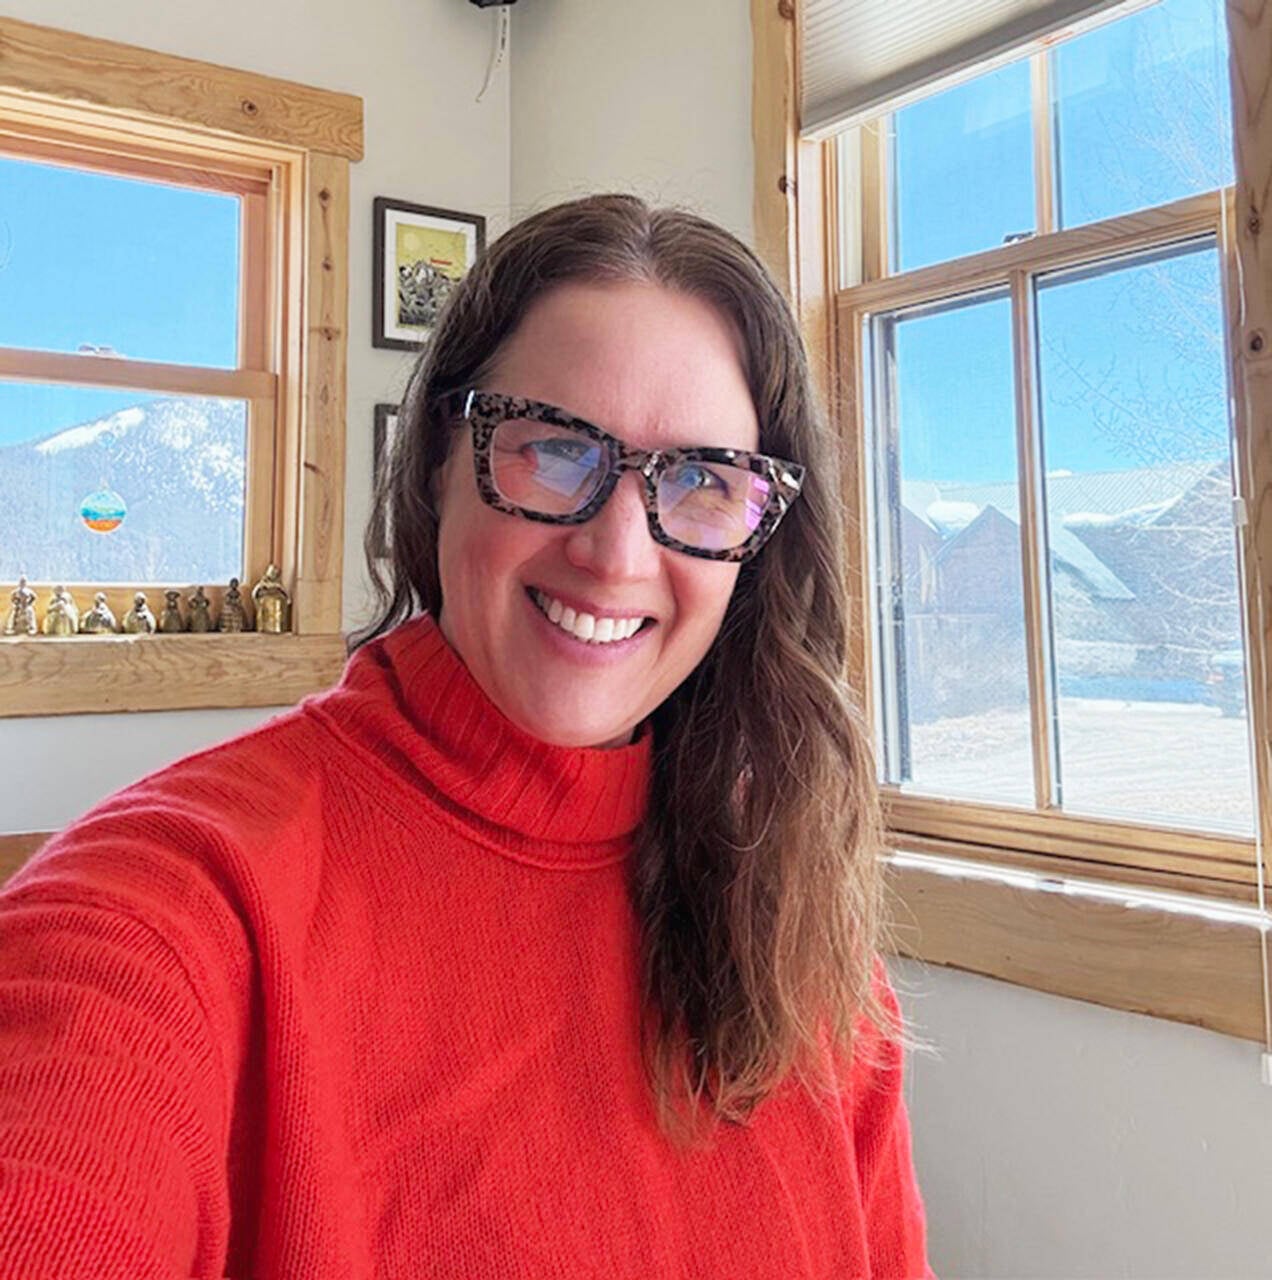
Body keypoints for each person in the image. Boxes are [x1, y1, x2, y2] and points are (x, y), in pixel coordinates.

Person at [0, 193, 935, 1278]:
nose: (617, 554)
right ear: (441, 459)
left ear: (758, 535)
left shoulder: (795, 927)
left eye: (702, 480)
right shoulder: (180, 899)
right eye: (557, 449)